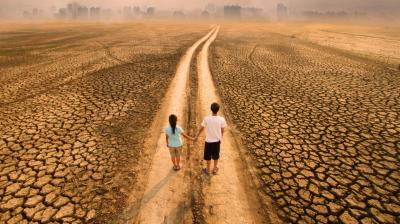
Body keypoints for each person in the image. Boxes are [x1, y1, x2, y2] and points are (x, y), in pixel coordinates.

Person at [195, 102, 227, 175]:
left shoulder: (207, 118)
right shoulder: (221, 119)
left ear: (211, 109)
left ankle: (208, 170)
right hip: (217, 141)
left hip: (208, 141)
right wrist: (221, 137)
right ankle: (215, 169)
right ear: (218, 110)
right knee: (216, 156)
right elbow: (222, 130)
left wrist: (197, 136)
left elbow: (201, 128)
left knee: (208, 156)